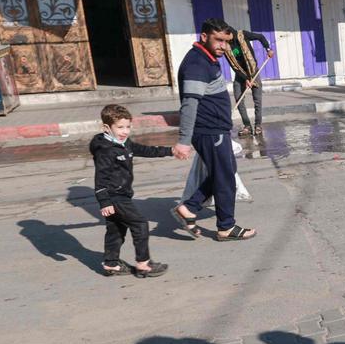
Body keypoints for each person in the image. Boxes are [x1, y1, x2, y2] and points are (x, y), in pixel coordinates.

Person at [170, 18, 257, 242]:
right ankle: (226, 227)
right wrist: (183, 140)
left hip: (216, 129)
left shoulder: (207, 59)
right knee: (225, 176)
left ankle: (189, 207)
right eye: (219, 40)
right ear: (204, 36)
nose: (223, 46)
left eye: (226, 42)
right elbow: (189, 104)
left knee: (225, 171)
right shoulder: (197, 65)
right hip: (209, 131)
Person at [91, 104, 173, 278]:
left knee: (116, 230)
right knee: (140, 224)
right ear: (107, 127)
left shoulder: (122, 142)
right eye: (120, 127)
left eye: (128, 127)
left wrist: (170, 151)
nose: (125, 131)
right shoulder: (105, 150)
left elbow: (143, 149)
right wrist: (104, 201)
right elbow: (101, 177)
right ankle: (143, 264)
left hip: (121, 194)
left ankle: (111, 264)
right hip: (115, 196)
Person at [225, 27, 274, 139]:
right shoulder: (225, 46)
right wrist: (245, 78)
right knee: (239, 98)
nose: (222, 39)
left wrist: (268, 49)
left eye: (224, 36)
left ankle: (258, 125)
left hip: (253, 71)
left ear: (229, 33)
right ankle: (247, 126)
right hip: (240, 75)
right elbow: (234, 67)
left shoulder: (242, 35)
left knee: (257, 100)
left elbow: (260, 37)